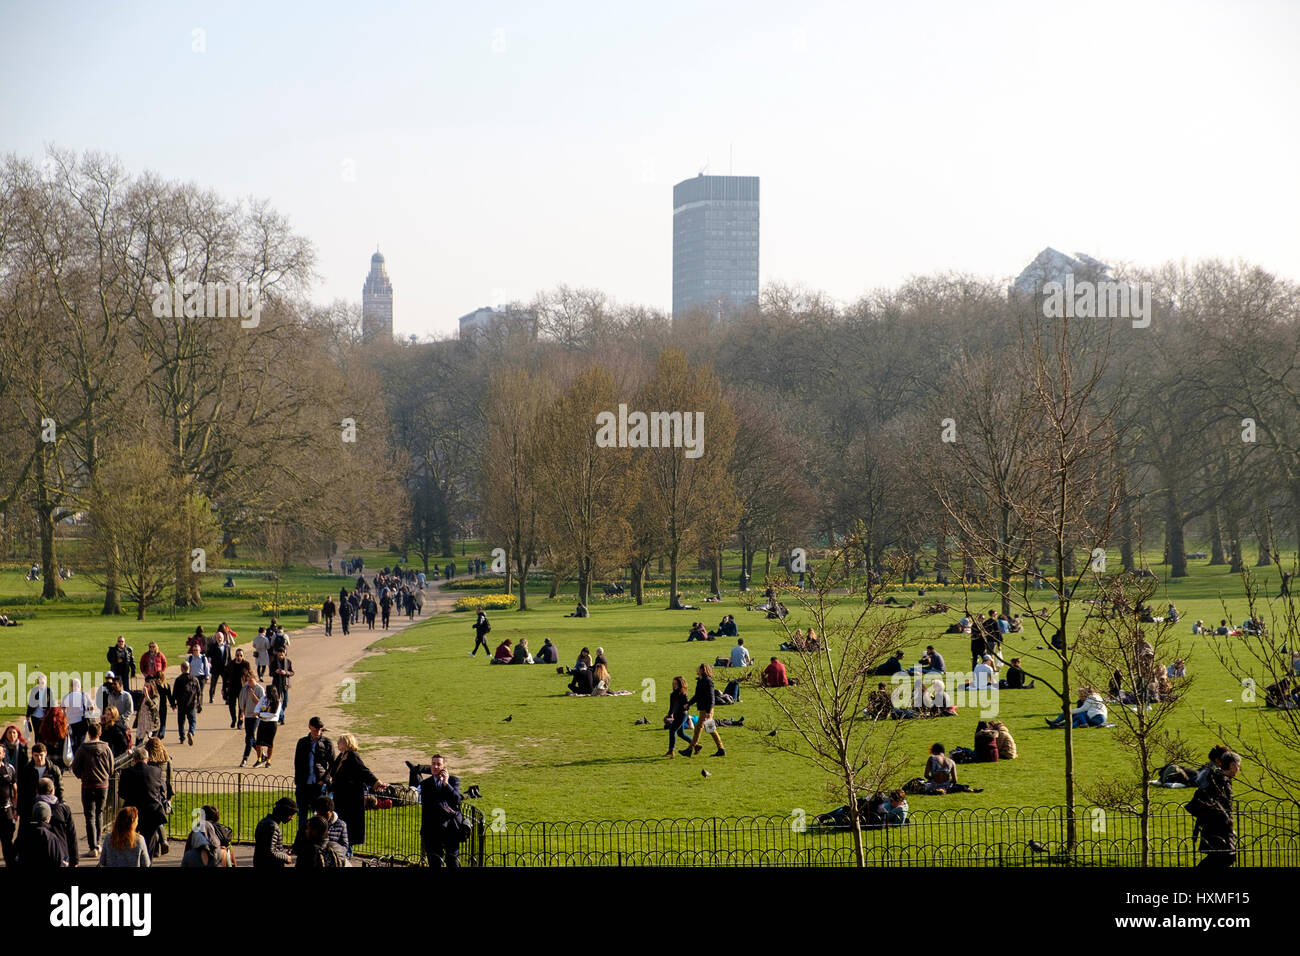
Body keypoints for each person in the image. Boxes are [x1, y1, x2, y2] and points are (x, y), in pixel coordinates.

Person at [330, 732, 380, 849]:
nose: (337, 744)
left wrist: (376, 782)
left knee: (349, 825)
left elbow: (364, 771)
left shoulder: (353, 756)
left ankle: (347, 850)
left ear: (347, 743)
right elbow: (333, 771)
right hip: (341, 796)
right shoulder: (342, 756)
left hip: (351, 798)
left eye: (340, 742)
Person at [71, 720, 113, 858]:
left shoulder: (83, 749)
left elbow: (75, 766)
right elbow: (111, 767)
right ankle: (98, 843)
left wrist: (81, 776)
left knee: (90, 816)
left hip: (88, 784)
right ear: (100, 733)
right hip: (103, 785)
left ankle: (92, 846)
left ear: (88, 734)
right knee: (99, 814)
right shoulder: (106, 748)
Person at [1193, 752, 1241, 869]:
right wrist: (1227, 820)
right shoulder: (1221, 782)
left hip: (1216, 828)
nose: (1239, 769)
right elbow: (1216, 804)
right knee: (1226, 857)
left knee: (1223, 858)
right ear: (1232, 765)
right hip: (1218, 829)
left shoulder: (1218, 779)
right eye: (1238, 766)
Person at [294, 716, 336, 846]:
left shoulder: (327, 743)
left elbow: (332, 765)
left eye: (320, 729)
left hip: (318, 784)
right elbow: (297, 762)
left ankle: (318, 842)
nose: (318, 731)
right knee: (302, 816)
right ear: (310, 727)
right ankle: (301, 843)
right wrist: (298, 780)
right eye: (316, 728)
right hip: (304, 784)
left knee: (320, 816)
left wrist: (325, 780)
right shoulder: (302, 742)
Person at [118, 748, 168, 858]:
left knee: (130, 841)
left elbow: (121, 793)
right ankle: (147, 862)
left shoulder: (126, 772)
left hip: (132, 812)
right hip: (152, 811)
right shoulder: (156, 771)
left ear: (134, 759)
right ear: (147, 759)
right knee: (149, 844)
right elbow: (162, 788)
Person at [419, 754, 466, 867]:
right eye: (433, 763)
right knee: (435, 862)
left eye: (438, 764)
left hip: (451, 829)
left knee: (453, 862)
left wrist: (446, 784)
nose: (435, 766)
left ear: (444, 767)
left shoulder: (453, 781)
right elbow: (430, 805)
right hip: (432, 830)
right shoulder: (425, 784)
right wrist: (447, 808)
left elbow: (457, 800)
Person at [27, 776, 77, 868]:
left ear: (37, 791)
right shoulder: (63, 809)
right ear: (52, 790)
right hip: (62, 855)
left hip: (35, 854)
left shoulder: (31, 808)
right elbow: (71, 835)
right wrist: (75, 860)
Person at [684, 664, 725, 757]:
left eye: (698, 668)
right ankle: (721, 749)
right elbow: (697, 696)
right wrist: (688, 704)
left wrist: (708, 712)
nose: (696, 669)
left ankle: (690, 749)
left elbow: (711, 697)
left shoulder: (707, 681)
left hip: (706, 709)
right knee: (709, 729)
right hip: (704, 709)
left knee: (699, 728)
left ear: (703, 670)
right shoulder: (701, 681)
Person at [17, 742, 61, 822]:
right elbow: (21, 791)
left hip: (50, 805)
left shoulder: (54, 770)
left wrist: (61, 805)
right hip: (30, 806)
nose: (39, 758)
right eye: (36, 755)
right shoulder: (26, 770)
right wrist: (19, 810)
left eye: (41, 755)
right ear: (32, 755)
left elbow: (60, 788)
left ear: (45, 753)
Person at [16, 801, 67, 869]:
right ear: (48, 818)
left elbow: (15, 857)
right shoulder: (50, 837)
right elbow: (57, 861)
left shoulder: (23, 834)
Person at [253, 797, 297, 868]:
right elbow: (270, 852)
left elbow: (268, 848)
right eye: (291, 815)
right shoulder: (272, 826)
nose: (292, 818)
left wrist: (282, 853)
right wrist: (286, 857)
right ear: (285, 813)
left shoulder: (264, 821)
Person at [61, 677, 95, 757]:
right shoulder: (84, 695)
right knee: (81, 741)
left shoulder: (67, 696)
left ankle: (74, 758)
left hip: (70, 723)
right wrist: (89, 713)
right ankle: (79, 757)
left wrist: (65, 719)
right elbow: (92, 707)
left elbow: (62, 710)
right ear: (79, 686)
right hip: (82, 722)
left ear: (71, 686)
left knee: (72, 742)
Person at [170, 660, 201, 747]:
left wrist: (173, 704)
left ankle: (182, 737)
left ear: (181, 669)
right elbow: (199, 692)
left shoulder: (179, 679)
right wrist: (199, 703)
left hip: (181, 704)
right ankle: (191, 732)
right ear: (189, 668)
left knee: (181, 721)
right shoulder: (195, 679)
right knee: (192, 721)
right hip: (191, 704)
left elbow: (174, 693)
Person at [251, 686, 283, 767]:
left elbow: (273, 714)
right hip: (263, 722)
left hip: (271, 724)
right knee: (259, 742)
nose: (265, 693)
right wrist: (257, 712)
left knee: (269, 743)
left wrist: (260, 714)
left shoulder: (277, 702)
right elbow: (257, 707)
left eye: (267, 691)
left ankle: (268, 760)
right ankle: (259, 759)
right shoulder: (263, 699)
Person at [238, 671, 265, 767]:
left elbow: (262, 703)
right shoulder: (245, 689)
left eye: (250, 680)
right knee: (250, 738)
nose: (248, 682)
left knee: (249, 737)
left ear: (255, 679)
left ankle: (245, 758)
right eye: (247, 680)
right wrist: (242, 713)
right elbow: (242, 702)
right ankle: (262, 755)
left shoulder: (260, 689)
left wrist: (253, 695)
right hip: (248, 715)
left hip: (256, 716)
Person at [664, 676, 693, 757]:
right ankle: (696, 745)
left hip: (683, 715)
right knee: (681, 734)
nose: (674, 685)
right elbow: (671, 707)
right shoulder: (672, 694)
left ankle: (671, 751)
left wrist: (685, 706)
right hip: (677, 715)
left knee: (672, 731)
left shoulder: (683, 695)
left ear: (680, 684)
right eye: (673, 684)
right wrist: (669, 715)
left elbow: (687, 706)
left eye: (676, 683)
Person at [271, 649, 294, 724]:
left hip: (285, 684)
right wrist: (276, 672)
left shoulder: (288, 662)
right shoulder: (273, 662)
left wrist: (285, 672)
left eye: (282, 654)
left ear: (285, 653)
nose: (280, 656)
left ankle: (280, 714)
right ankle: (281, 717)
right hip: (276, 684)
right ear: (277, 654)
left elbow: (292, 672)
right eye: (279, 654)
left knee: (285, 701)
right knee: (277, 701)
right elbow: (270, 674)